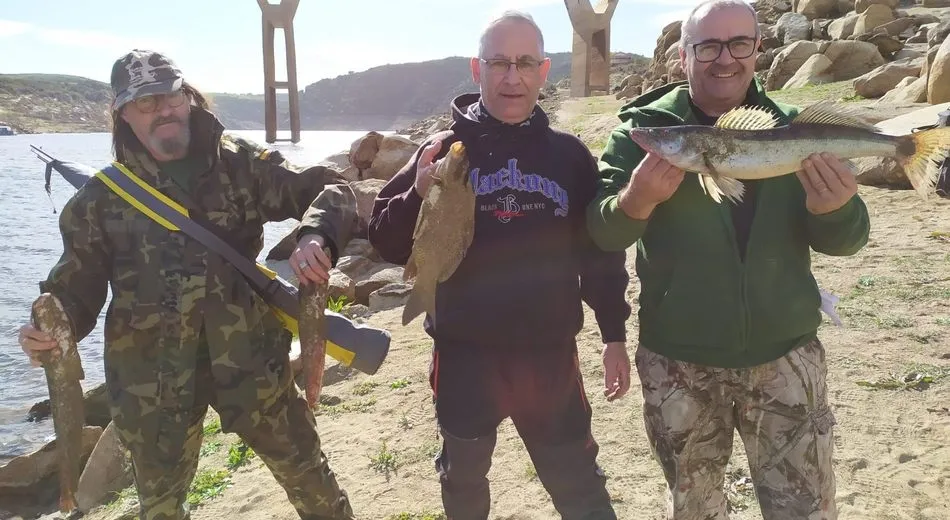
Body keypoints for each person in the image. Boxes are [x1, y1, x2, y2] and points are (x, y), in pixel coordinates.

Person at [17, 49, 357, 520]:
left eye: (171, 96)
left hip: (252, 363)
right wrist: (49, 331)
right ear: (122, 112)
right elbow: (74, 292)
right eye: (146, 102)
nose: (163, 110)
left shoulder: (239, 163)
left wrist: (315, 235)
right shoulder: (98, 201)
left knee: (312, 482)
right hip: (151, 386)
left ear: (188, 95)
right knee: (161, 510)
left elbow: (332, 187)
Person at [586, 1, 871, 519]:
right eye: (708, 46)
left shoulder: (794, 131)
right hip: (677, 361)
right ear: (682, 55)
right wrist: (636, 201)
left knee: (805, 508)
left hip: (786, 355)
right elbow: (603, 233)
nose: (725, 59)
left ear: (757, 49)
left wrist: (836, 209)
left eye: (739, 44)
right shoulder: (641, 135)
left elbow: (846, 241)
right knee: (694, 507)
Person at [368, 10, 632, 520]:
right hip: (464, 358)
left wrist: (613, 334)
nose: (513, 77)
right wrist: (416, 194)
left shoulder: (570, 156)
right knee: (463, 481)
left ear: (544, 70)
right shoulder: (441, 151)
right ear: (477, 68)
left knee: (578, 484)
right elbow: (385, 239)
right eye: (499, 63)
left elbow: (599, 253)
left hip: (549, 358)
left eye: (526, 63)